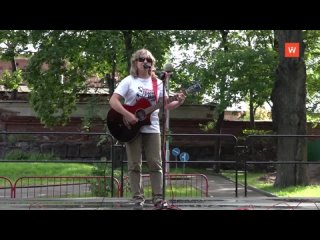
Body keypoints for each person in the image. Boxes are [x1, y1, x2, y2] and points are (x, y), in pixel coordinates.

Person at [109, 48, 186, 209]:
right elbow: (113, 101)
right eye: (142, 59)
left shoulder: (158, 83)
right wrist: (128, 115)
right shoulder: (129, 81)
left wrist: (178, 102)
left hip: (153, 127)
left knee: (155, 164)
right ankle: (137, 198)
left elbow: (165, 105)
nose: (146, 62)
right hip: (130, 128)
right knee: (134, 164)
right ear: (135, 63)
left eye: (149, 60)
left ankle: (158, 198)